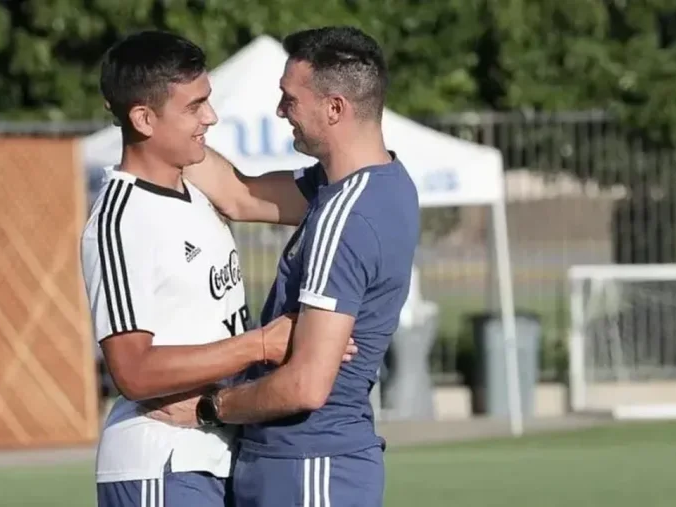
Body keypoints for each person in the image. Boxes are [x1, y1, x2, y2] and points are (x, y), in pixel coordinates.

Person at [79, 30, 357, 507]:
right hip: (161, 462)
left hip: (212, 452)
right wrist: (262, 344)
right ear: (143, 118)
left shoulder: (194, 181)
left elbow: (251, 195)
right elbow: (134, 372)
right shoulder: (119, 220)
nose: (211, 117)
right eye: (194, 107)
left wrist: (369, 172)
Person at [153, 26, 421, 507]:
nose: (280, 112)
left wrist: (209, 408)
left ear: (334, 108)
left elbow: (306, 384)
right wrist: (164, 124)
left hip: (310, 467)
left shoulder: (348, 217)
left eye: (290, 99)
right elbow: (239, 195)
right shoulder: (368, 185)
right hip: (295, 463)